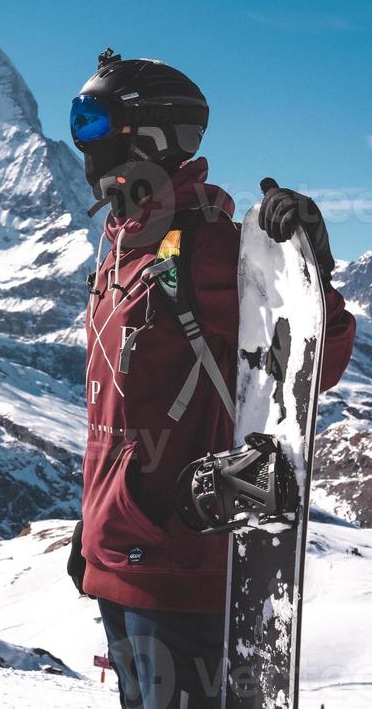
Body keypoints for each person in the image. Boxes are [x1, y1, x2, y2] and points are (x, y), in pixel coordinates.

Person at [66, 48, 356, 709]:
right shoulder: (124, 248)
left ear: (149, 135)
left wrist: (303, 271)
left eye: (91, 120)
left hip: (183, 569)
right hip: (120, 561)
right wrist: (93, 537)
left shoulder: (205, 248)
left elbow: (324, 360)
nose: (80, 141)